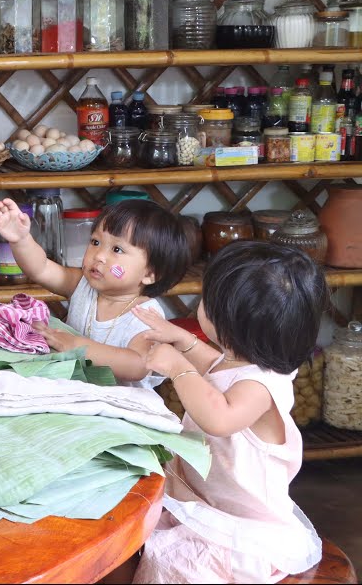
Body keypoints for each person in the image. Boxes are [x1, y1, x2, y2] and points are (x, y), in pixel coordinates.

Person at [130, 241, 326, 583]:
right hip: (208, 501)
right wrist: (183, 341)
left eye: (206, 302)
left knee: (175, 567)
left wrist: (178, 368)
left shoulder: (261, 386)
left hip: (239, 529)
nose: (199, 306)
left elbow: (218, 418)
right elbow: (217, 369)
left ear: (231, 325)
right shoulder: (245, 359)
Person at [0, 198, 190, 387]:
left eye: (117, 250)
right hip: (73, 394)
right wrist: (21, 240)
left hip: (123, 412)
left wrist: (77, 345)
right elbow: (40, 269)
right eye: (95, 242)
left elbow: (139, 365)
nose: (99, 255)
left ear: (150, 274)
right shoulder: (82, 285)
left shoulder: (147, 316)